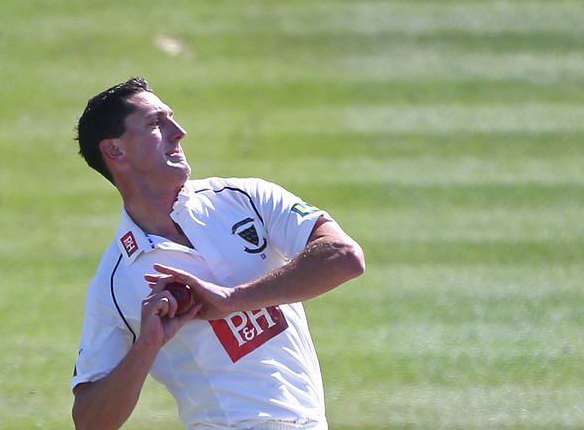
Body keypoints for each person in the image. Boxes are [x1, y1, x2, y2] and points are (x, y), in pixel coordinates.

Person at [71, 77, 365, 430]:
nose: (179, 132)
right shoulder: (117, 282)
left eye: (171, 118)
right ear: (115, 151)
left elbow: (345, 256)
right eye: (155, 124)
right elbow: (90, 421)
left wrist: (233, 299)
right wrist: (147, 345)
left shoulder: (246, 198)